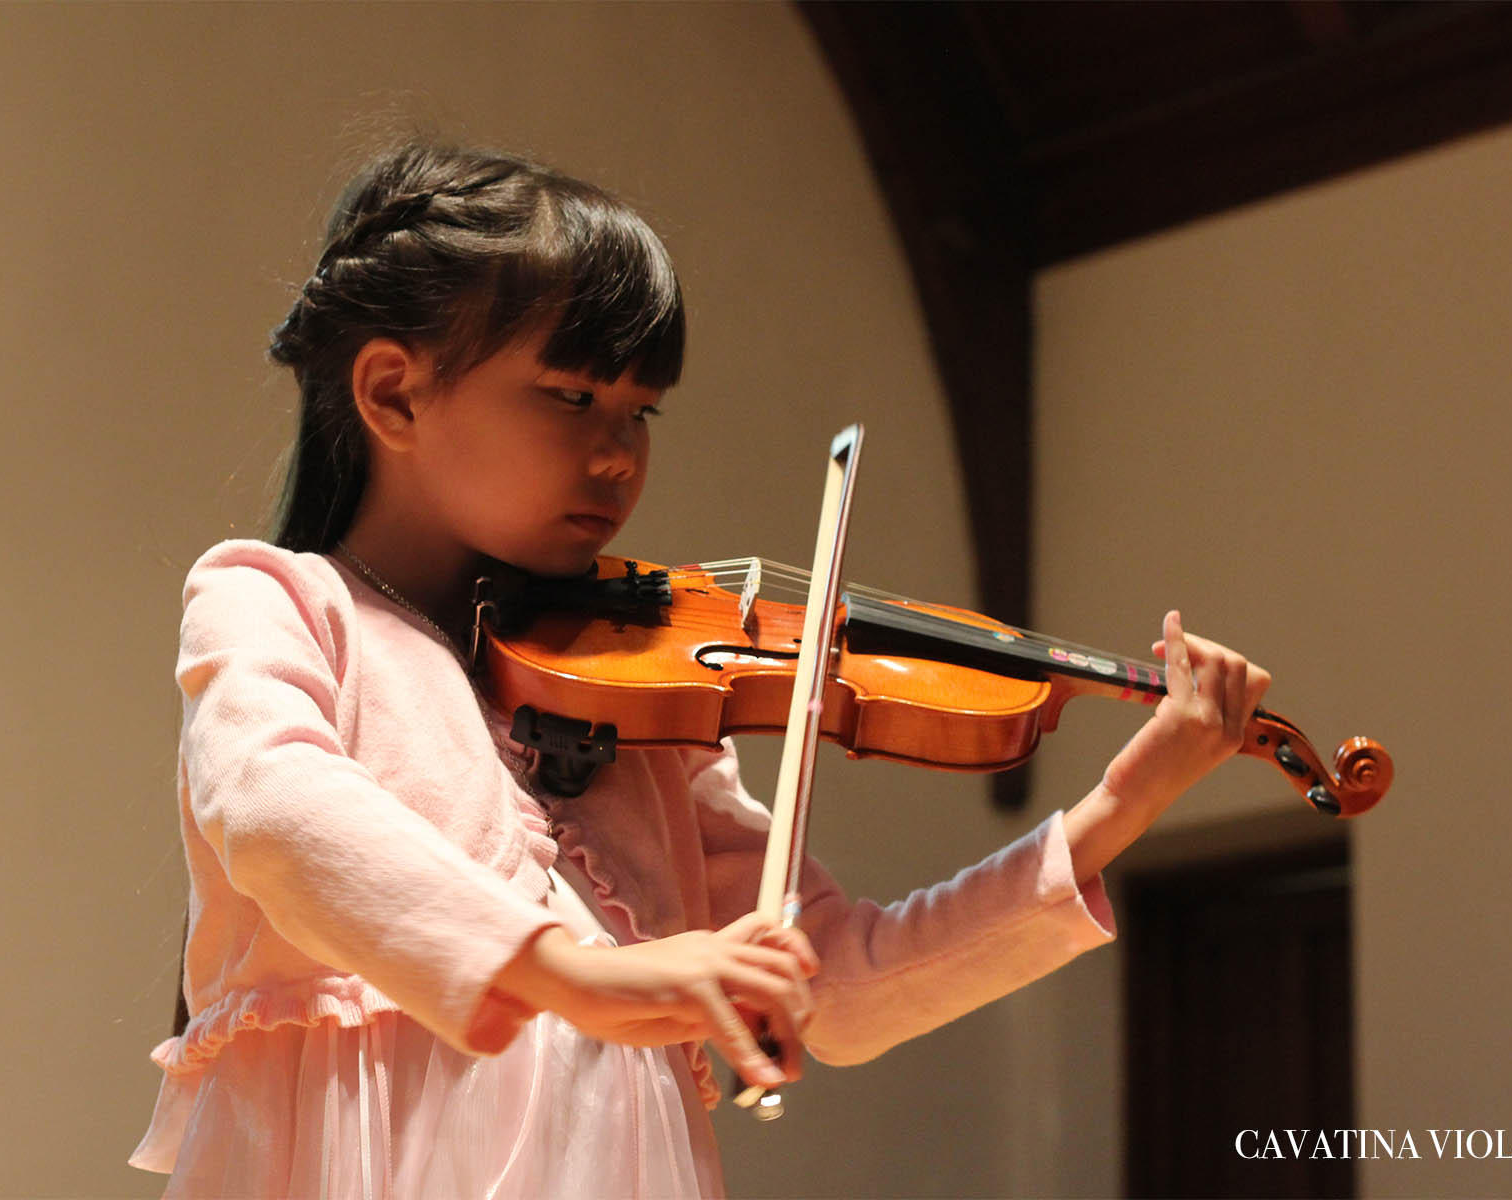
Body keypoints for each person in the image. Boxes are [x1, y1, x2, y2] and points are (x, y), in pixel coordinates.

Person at [129, 141, 1271, 1197]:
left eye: (642, 408)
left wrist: (1120, 810)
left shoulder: (640, 697)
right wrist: (584, 978)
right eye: (573, 396)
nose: (620, 452)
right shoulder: (276, 603)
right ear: (393, 391)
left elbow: (839, 984)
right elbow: (273, 808)